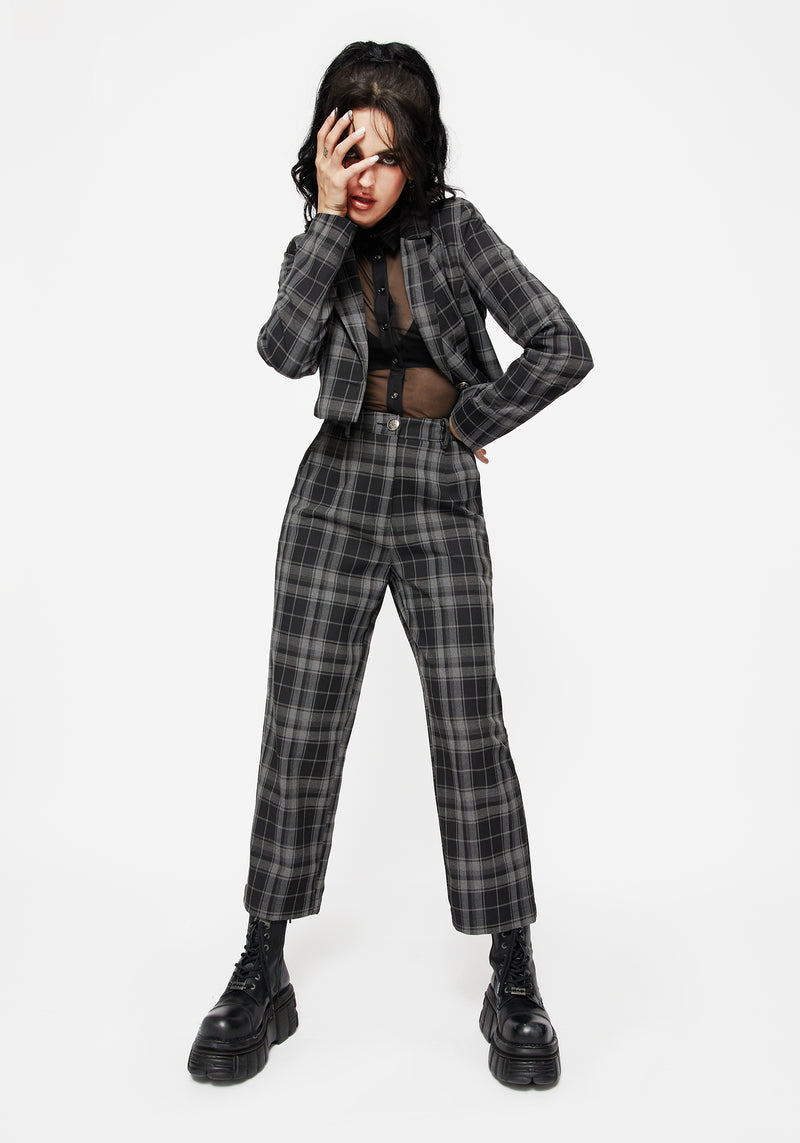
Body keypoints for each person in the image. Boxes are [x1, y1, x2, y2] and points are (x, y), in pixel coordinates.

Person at [188, 40, 593, 1089]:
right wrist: (326, 219)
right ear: (322, 152)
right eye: (346, 152)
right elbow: (282, 351)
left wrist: (473, 422)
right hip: (334, 482)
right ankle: (261, 965)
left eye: (384, 154)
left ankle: (512, 970)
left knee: (468, 725)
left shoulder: (457, 230)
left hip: (437, 489)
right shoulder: (315, 242)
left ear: (419, 155)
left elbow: (560, 342)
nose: (365, 175)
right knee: (300, 723)